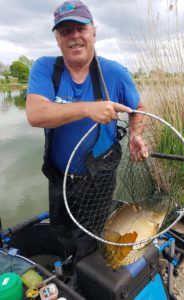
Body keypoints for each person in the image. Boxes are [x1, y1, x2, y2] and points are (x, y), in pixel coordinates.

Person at [26, 0, 147, 268]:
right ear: (57, 39)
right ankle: (71, 263)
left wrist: (136, 134)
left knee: (88, 240)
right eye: (65, 31)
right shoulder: (46, 68)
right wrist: (88, 109)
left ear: (93, 32)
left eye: (80, 28)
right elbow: (36, 114)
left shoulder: (114, 73)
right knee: (60, 227)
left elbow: (138, 109)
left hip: (98, 177)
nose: (74, 37)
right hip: (59, 175)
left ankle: (87, 276)